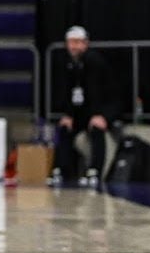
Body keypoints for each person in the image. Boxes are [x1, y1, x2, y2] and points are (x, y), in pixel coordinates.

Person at [50, 26, 119, 187]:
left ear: (85, 43)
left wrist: (101, 115)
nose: (72, 46)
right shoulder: (69, 64)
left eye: (76, 42)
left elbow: (99, 93)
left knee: (96, 129)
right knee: (65, 128)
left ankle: (95, 170)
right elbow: (70, 93)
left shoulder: (94, 61)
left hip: (102, 109)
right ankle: (60, 169)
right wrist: (68, 114)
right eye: (69, 42)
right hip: (81, 111)